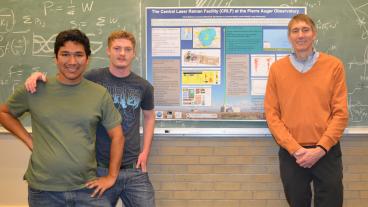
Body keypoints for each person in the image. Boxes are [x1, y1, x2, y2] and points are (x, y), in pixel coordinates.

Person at [25, 30, 156, 207]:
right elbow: (65, 79)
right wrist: (40, 77)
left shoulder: (144, 86)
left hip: (134, 169)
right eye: (117, 48)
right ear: (108, 51)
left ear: (134, 53)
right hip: (98, 168)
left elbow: (149, 117)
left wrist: (145, 151)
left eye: (127, 49)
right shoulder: (92, 78)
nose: (122, 53)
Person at [0, 29, 125, 207]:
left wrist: (112, 176)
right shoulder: (36, 88)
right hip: (44, 191)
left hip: (87, 188)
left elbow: (118, 136)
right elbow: (4, 113)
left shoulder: (99, 94)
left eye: (78, 55)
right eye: (65, 54)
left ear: (87, 59)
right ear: (56, 58)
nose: (72, 61)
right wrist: (29, 140)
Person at [264, 14, 348, 207]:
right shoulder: (277, 69)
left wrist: (320, 149)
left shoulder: (333, 66)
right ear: (289, 37)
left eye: (305, 30)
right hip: (292, 154)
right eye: (295, 31)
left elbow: (340, 113)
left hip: (326, 152)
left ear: (314, 34)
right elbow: (272, 114)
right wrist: (295, 149)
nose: (300, 35)